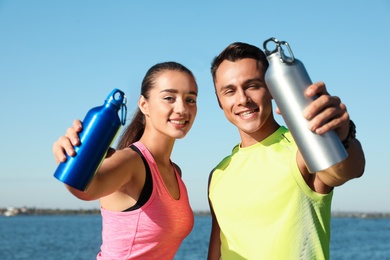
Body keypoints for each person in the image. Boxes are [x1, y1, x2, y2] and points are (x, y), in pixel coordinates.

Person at [207, 42, 365, 260]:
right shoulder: (219, 173)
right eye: (230, 91)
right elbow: (217, 249)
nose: (242, 99)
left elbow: (344, 170)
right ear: (219, 100)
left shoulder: (303, 147)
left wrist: (343, 137)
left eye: (252, 85)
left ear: (272, 89)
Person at [52, 61, 198, 259]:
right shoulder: (131, 163)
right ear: (144, 105)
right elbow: (84, 188)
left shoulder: (175, 172)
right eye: (169, 98)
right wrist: (72, 153)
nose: (181, 108)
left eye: (190, 99)